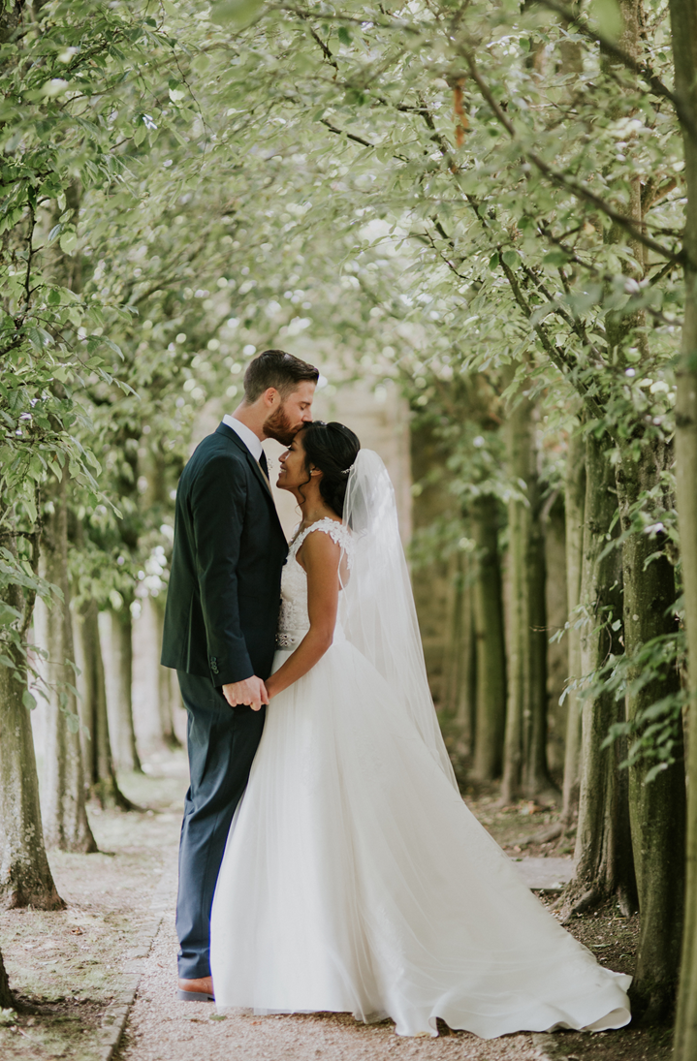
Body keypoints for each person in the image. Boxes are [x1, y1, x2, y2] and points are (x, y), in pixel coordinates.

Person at [209, 420, 632, 1039]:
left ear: (316, 470)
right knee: (312, 814)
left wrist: (270, 687)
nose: (281, 457)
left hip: (314, 684)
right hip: (305, 685)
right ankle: (320, 958)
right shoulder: (304, 529)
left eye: (292, 451)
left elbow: (322, 635)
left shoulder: (323, 539)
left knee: (328, 811)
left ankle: (359, 960)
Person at [160, 349, 318, 1002]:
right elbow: (214, 574)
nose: (307, 417)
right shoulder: (223, 462)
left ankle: (215, 942)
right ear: (271, 398)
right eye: (302, 404)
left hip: (229, 662)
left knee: (217, 799)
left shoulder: (236, 456)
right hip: (222, 667)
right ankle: (196, 959)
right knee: (215, 802)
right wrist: (234, 671)